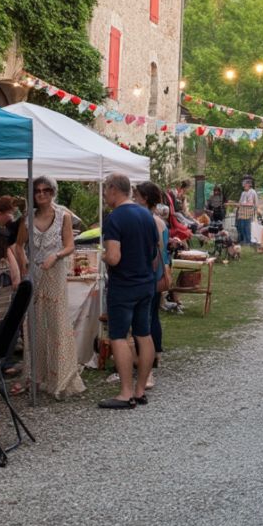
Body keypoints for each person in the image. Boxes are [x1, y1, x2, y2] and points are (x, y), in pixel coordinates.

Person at [15, 176, 84, 400]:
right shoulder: (27, 219)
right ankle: (35, 375)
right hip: (34, 274)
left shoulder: (63, 216)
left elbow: (70, 246)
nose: (42, 194)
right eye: (38, 191)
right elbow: (18, 245)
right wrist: (23, 263)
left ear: (53, 192)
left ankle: (61, 377)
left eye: (46, 190)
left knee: (56, 323)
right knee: (34, 324)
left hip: (54, 273)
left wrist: (56, 255)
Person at [100, 174, 158, 408]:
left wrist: (103, 255)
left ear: (114, 189)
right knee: (144, 335)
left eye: (105, 190)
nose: (104, 195)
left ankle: (125, 393)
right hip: (146, 283)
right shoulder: (146, 214)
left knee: (119, 337)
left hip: (123, 286)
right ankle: (140, 390)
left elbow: (114, 258)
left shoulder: (114, 218)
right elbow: (154, 255)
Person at [132, 182, 171, 391]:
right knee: (153, 315)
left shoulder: (146, 220)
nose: (134, 199)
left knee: (144, 320)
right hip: (157, 274)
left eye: (136, 195)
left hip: (148, 274)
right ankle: (155, 354)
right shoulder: (161, 221)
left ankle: (146, 362)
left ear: (144, 198)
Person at [233, 176, 259, 248]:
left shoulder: (252, 192)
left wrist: (240, 204)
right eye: (243, 183)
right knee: (241, 227)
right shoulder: (243, 193)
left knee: (247, 228)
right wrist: (234, 204)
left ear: (249, 184)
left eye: (244, 183)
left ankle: (248, 242)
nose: (243, 185)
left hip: (249, 213)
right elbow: (240, 203)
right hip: (242, 213)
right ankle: (243, 241)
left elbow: (250, 204)